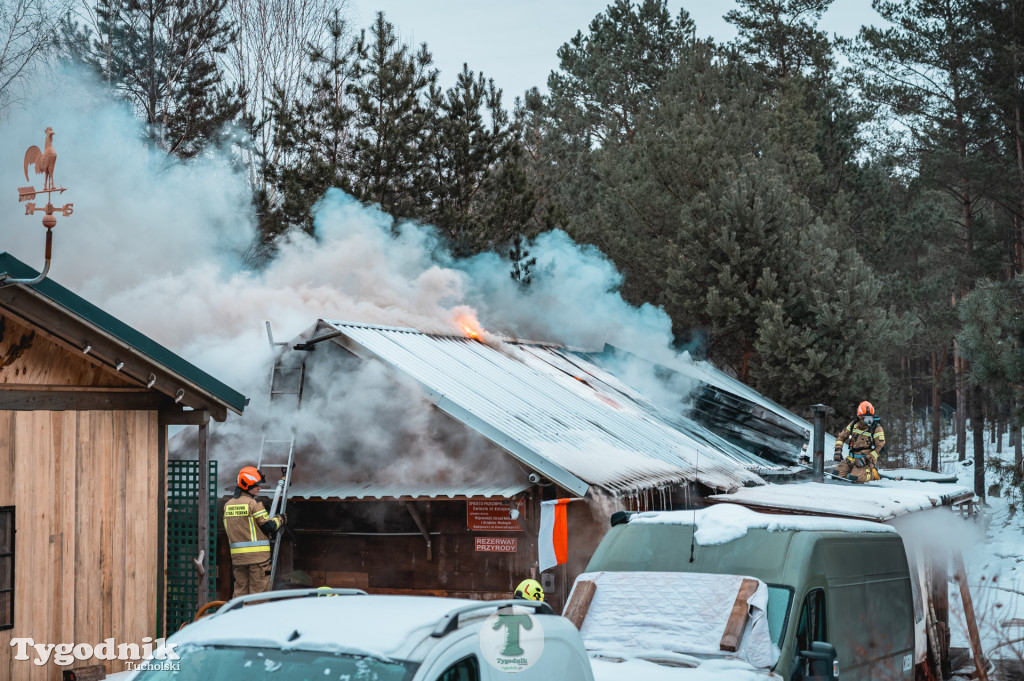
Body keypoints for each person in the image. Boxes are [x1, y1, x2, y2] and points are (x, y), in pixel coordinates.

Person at [223, 466, 285, 598]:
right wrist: (281, 519)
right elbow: (269, 527)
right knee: (259, 597)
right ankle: (256, 619)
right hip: (258, 560)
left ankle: (238, 618)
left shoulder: (228, 505)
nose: (259, 488)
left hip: (239, 560)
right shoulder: (254, 504)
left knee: (239, 595)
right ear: (247, 485)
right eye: (256, 485)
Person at [833, 401, 885, 483]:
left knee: (855, 478)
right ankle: (853, 471)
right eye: (866, 418)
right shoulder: (854, 425)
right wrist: (838, 450)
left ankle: (873, 473)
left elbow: (880, 447)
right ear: (860, 417)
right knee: (835, 476)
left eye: (870, 417)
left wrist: (866, 459)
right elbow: (841, 437)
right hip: (851, 459)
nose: (869, 421)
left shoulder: (876, 428)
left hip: (865, 461)